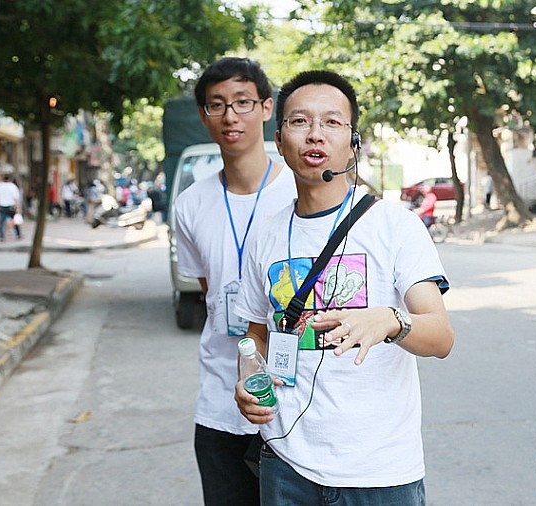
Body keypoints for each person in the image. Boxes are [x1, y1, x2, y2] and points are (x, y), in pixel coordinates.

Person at [234, 70, 455, 506]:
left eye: (332, 122)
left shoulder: (395, 226)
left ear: (353, 143)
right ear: (279, 141)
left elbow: (441, 336)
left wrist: (391, 321)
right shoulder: (265, 236)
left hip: (381, 472)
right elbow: (256, 331)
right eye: (300, 121)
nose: (315, 134)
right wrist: (247, 375)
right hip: (285, 464)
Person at [173, 57, 297, 506]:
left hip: (294, 403)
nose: (230, 116)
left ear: (266, 108)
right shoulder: (190, 204)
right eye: (217, 104)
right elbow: (211, 290)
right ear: (203, 115)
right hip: (220, 406)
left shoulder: (300, 191)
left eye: (243, 102)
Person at [0, 170, 22, 241]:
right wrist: (17, 208)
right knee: (15, 221)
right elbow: (16, 198)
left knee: (1, 222)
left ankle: (1, 236)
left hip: (2, 206)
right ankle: (18, 234)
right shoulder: (13, 186)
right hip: (11, 206)